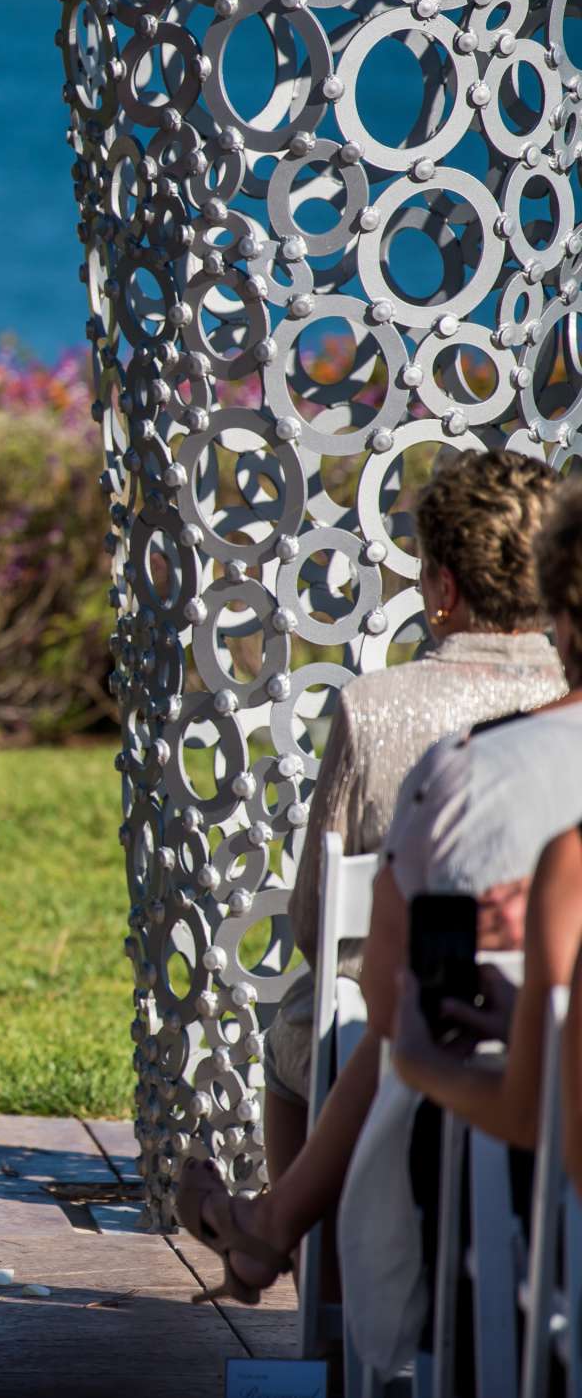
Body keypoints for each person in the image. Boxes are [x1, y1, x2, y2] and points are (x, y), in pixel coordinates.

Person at [175, 452, 566, 1300]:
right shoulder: (567, 702)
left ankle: (311, 1273)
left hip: (417, 1030)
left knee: (302, 1019)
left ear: (443, 587)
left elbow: (323, 930)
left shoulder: (385, 710)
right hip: (547, 1024)